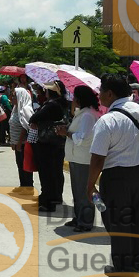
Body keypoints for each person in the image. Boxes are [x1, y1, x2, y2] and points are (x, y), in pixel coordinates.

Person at [87, 74, 139, 277]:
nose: (99, 96)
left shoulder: (108, 120)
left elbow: (98, 158)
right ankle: (134, 262)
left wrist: (89, 186)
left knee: (119, 221)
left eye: (100, 92)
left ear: (109, 93)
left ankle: (122, 268)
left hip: (116, 177)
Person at [56, 86, 102, 232]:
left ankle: (86, 221)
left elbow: (83, 138)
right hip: (77, 158)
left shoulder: (88, 115)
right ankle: (79, 217)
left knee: (84, 191)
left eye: (75, 97)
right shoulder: (82, 114)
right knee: (77, 190)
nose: (72, 99)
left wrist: (66, 133)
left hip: (84, 159)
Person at [29, 81, 68, 212]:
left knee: (47, 173)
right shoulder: (64, 104)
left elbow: (34, 118)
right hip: (59, 142)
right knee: (56, 171)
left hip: (47, 143)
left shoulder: (51, 105)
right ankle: (56, 196)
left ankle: (48, 201)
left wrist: (36, 121)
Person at [9, 86, 34, 188]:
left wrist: (19, 142)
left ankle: (28, 186)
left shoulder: (25, 109)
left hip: (23, 144)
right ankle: (22, 185)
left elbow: (26, 127)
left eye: (14, 96)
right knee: (20, 165)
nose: (12, 98)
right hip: (17, 143)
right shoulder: (16, 108)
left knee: (25, 166)